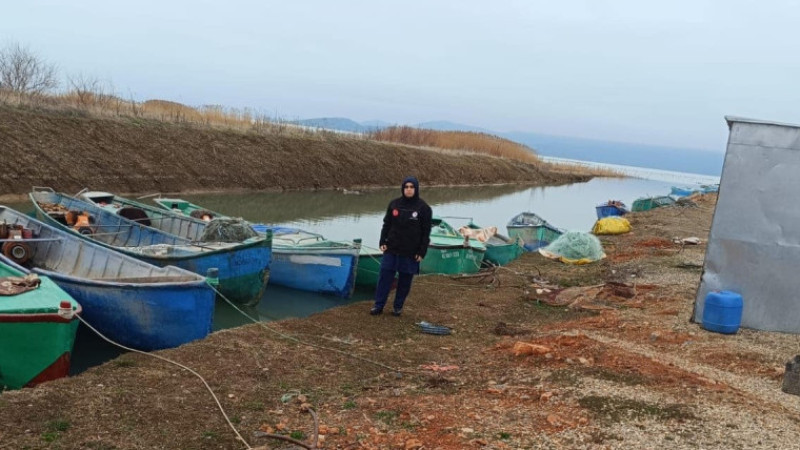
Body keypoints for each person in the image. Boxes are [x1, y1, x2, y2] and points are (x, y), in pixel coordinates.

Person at [370, 176, 432, 316]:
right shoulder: (394, 204)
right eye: (406, 187)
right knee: (384, 278)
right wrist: (382, 241)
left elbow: (426, 232)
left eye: (411, 187)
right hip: (392, 248)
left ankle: (397, 307)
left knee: (404, 281)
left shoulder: (424, 208)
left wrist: (422, 252)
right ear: (402, 188)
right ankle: (378, 306)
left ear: (416, 189)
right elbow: (386, 225)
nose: (409, 190)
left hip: (410, 251)